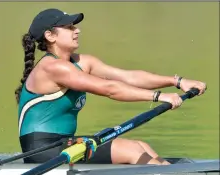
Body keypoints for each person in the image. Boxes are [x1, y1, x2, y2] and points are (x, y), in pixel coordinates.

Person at [15, 8, 207, 165]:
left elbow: (128, 77)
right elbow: (109, 89)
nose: (77, 30)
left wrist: (178, 81)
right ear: (50, 35)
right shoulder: (53, 67)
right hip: (42, 151)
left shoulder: (81, 62)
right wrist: (159, 96)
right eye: (69, 26)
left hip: (62, 144)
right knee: (132, 151)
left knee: (141, 146)